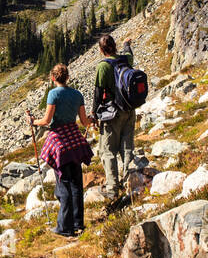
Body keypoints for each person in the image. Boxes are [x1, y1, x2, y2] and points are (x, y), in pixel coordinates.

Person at [29, 63, 93, 237]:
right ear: (68, 77)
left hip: (61, 143)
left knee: (63, 183)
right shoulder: (77, 94)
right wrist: (92, 119)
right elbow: (85, 121)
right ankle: (78, 222)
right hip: (75, 140)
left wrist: (33, 121)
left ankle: (65, 227)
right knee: (76, 183)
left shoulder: (53, 94)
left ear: (53, 78)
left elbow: (47, 120)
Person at [93, 34, 136, 211]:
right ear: (114, 46)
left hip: (112, 113)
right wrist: (126, 44)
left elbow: (98, 91)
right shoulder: (125, 60)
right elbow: (129, 53)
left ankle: (112, 187)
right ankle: (129, 180)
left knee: (108, 150)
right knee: (127, 146)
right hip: (129, 110)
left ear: (101, 50)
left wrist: (94, 113)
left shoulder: (103, 66)